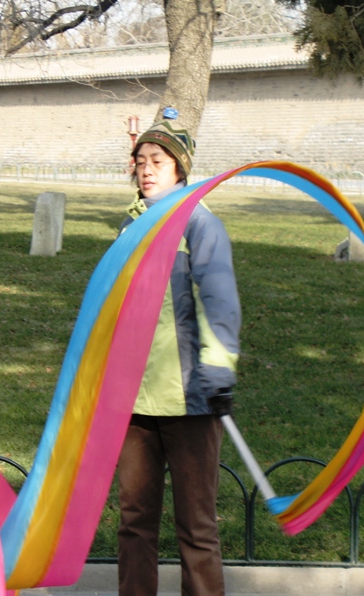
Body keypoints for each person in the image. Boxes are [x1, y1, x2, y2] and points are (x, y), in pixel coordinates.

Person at [116, 120, 241, 596]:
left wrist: (216, 374)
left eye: (158, 162)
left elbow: (221, 305)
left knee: (197, 529)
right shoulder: (130, 225)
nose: (146, 171)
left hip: (190, 398)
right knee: (134, 523)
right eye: (141, 162)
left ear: (180, 169)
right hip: (134, 399)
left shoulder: (200, 224)